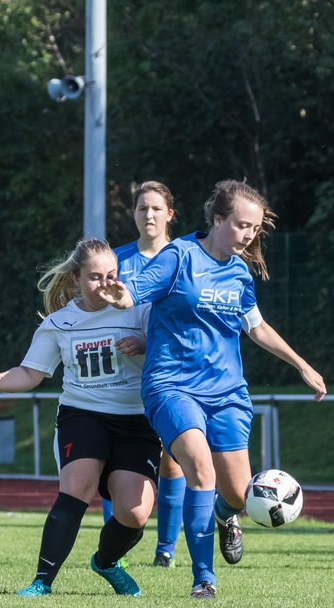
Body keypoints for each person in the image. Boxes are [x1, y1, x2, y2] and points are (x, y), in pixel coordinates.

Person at [98, 179, 327, 599]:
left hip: (226, 394)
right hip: (171, 386)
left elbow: (255, 329)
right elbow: (135, 293)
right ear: (217, 219)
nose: (249, 235)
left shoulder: (240, 272)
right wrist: (118, 295)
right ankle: (204, 577)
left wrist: (303, 366)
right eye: (242, 225)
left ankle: (227, 516)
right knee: (199, 467)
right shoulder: (179, 256)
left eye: (254, 228)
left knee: (238, 494)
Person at [0, 238, 158, 597]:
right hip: (82, 414)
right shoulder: (59, 323)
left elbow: (173, 345)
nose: (105, 284)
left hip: (137, 419)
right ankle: (42, 581)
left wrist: (146, 344)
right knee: (77, 487)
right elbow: (30, 373)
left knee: (134, 514)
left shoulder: (140, 312)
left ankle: (105, 562)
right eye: (95, 277)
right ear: (76, 279)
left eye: (112, 275)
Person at [113, 180, 186, 569]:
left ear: (170, 213)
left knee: (171, 458)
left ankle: (166, 550)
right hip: (120, 376)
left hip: (170, 372)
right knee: (115, 459)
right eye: (143, 208)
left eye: (157, 208)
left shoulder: (186, 256)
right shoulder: (117, 259)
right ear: (134, 214)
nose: (150, 215)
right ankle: (118, 547)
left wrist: (148, 342)